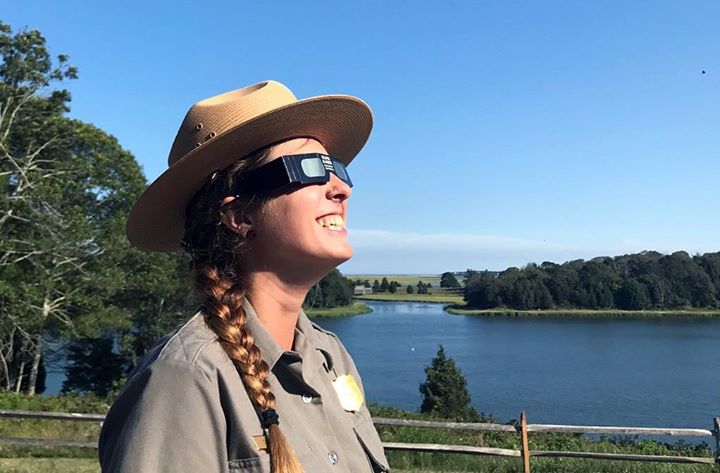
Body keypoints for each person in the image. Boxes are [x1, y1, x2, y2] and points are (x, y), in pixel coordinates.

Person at [98, 81, 391, 473]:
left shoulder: (330, 358)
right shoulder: (186, 380)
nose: (341, 188)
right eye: (311, 169)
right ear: (239, 217)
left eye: (336, 169)